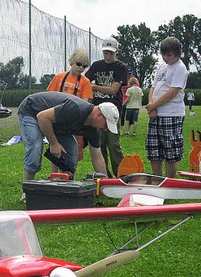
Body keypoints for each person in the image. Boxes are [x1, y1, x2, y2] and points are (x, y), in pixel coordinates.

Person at [18, 91, 116, 202]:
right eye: (106, 124)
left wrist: (105, 185)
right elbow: (42, 117)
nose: (106, 129)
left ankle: (62, 192)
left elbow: (97, 156)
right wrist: (54, 143)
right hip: (31, 110)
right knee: (35, 147)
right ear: (99, 115)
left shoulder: (93, 129)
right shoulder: (76, 109)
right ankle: (26, 193)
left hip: (55, 122)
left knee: (72, 153)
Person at [46, 48, 95, 176]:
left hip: (74, 121)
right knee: (56, 148)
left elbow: (85, 103)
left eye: (84, 66)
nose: (81, 68)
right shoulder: (59, 77)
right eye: (78, 64)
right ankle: (53, 175)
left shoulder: (85, 82)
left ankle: (68, 175)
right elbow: (50, 97)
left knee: (73, 151)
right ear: (72, 61)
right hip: (57, 117)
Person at [144, 37, 189, 178]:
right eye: (163, 54)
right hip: (156, 113)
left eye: (169, 54)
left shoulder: (180, 68)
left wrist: (153, 105)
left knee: (171, 151)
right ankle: (157, 179)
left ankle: (169, 181)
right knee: (154, 149)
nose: (165, 57)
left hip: (171, 114)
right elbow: (153, 87)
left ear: (177, 53)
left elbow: (173, 92)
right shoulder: (162, 67)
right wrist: (152, 106)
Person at [85, 37, 127, 177]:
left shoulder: (120, 67)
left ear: (116, 52)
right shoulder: (96, 66)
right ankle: (104, 176)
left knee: (113, 144)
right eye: (105, 53)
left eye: (111, 53)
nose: (108, 56)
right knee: (99, 144)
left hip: (113, 110)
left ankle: (121, 175)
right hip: (98, 111)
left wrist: (95, 86)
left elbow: (113, 89)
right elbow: (85, 81)